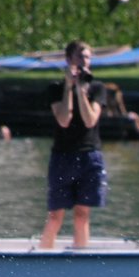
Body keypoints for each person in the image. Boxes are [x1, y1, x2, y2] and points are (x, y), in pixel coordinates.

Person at [39, 40, 106, 251]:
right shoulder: (55, 89)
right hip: (63, 157)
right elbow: (63, 120)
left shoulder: (97, 88)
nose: (84, 62)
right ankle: (42, 257)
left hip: (89, 156)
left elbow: (89, 120)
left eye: (87, 57)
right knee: (55, 215)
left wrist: (81, 91)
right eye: (80, 57)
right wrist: (69, 87)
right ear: (68, 60)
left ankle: (80, 256)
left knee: (82, 214)